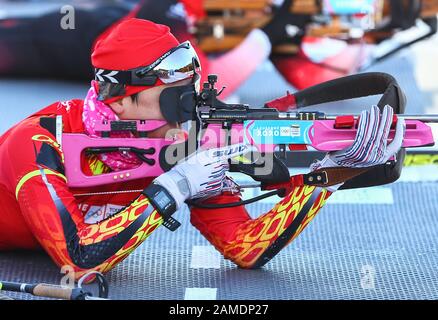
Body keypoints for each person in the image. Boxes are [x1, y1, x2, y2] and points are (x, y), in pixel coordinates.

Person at [0, 18, 406, 280]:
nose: (186, 113)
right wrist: (174, 187)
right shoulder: (38, 143)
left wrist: (331, 174)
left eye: (189, 95)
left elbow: (248, 248)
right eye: (172, 99)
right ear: (120, 100)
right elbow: (81, 260)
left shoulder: (183, 144)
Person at [0, 0, 309, 99]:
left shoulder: (267, 17)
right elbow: (198, 83)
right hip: (90, 35)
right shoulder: (173, 12)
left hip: (113, 23)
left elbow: (308, 74)